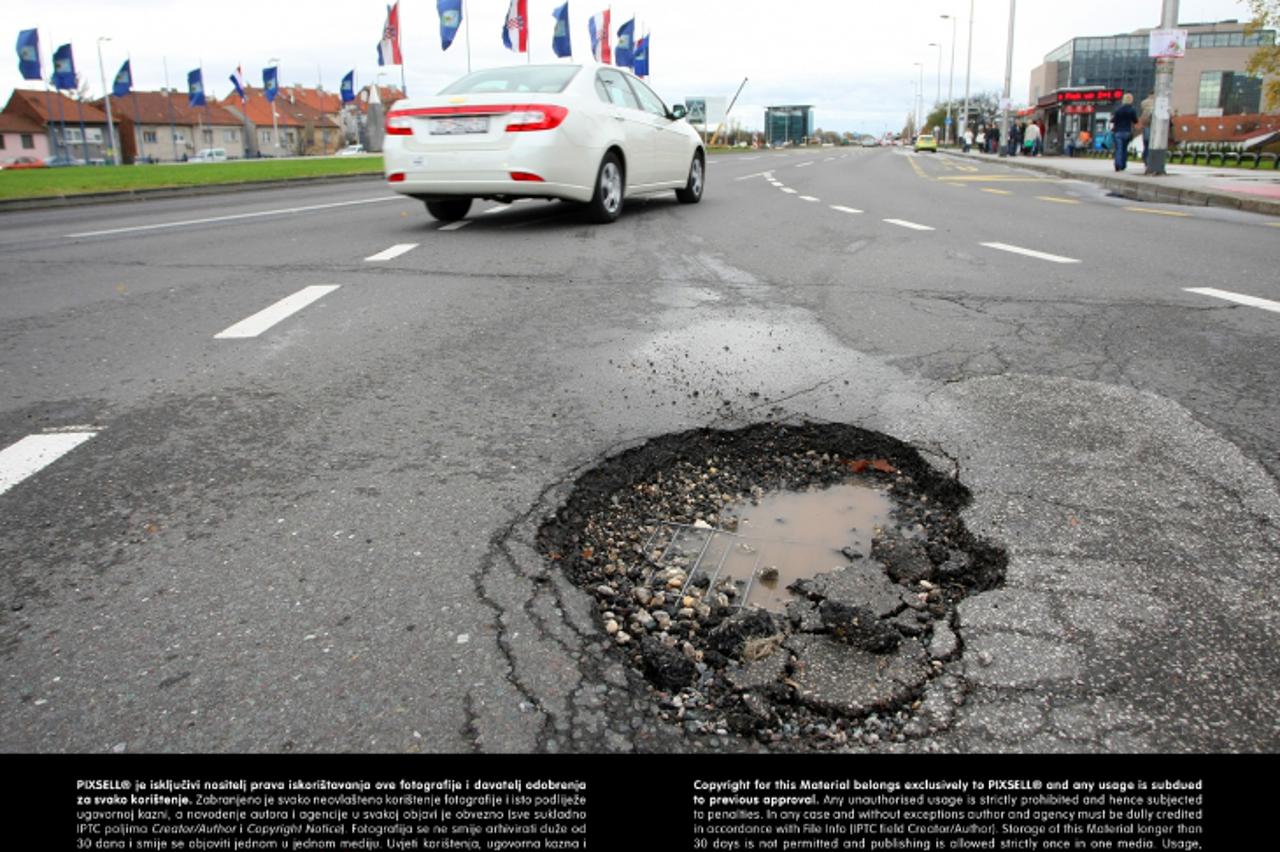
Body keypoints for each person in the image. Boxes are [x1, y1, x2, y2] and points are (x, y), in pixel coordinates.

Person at [1110, 93, 1139, 171]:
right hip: (1127, 131)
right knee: (1124, 149)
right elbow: (1135, 121)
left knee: (1118, 149)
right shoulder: (1132, 110)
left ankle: (1117, 164)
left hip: (1118, 131)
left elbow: (1113, 120)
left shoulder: (1118, 109)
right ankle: (1123, 164)